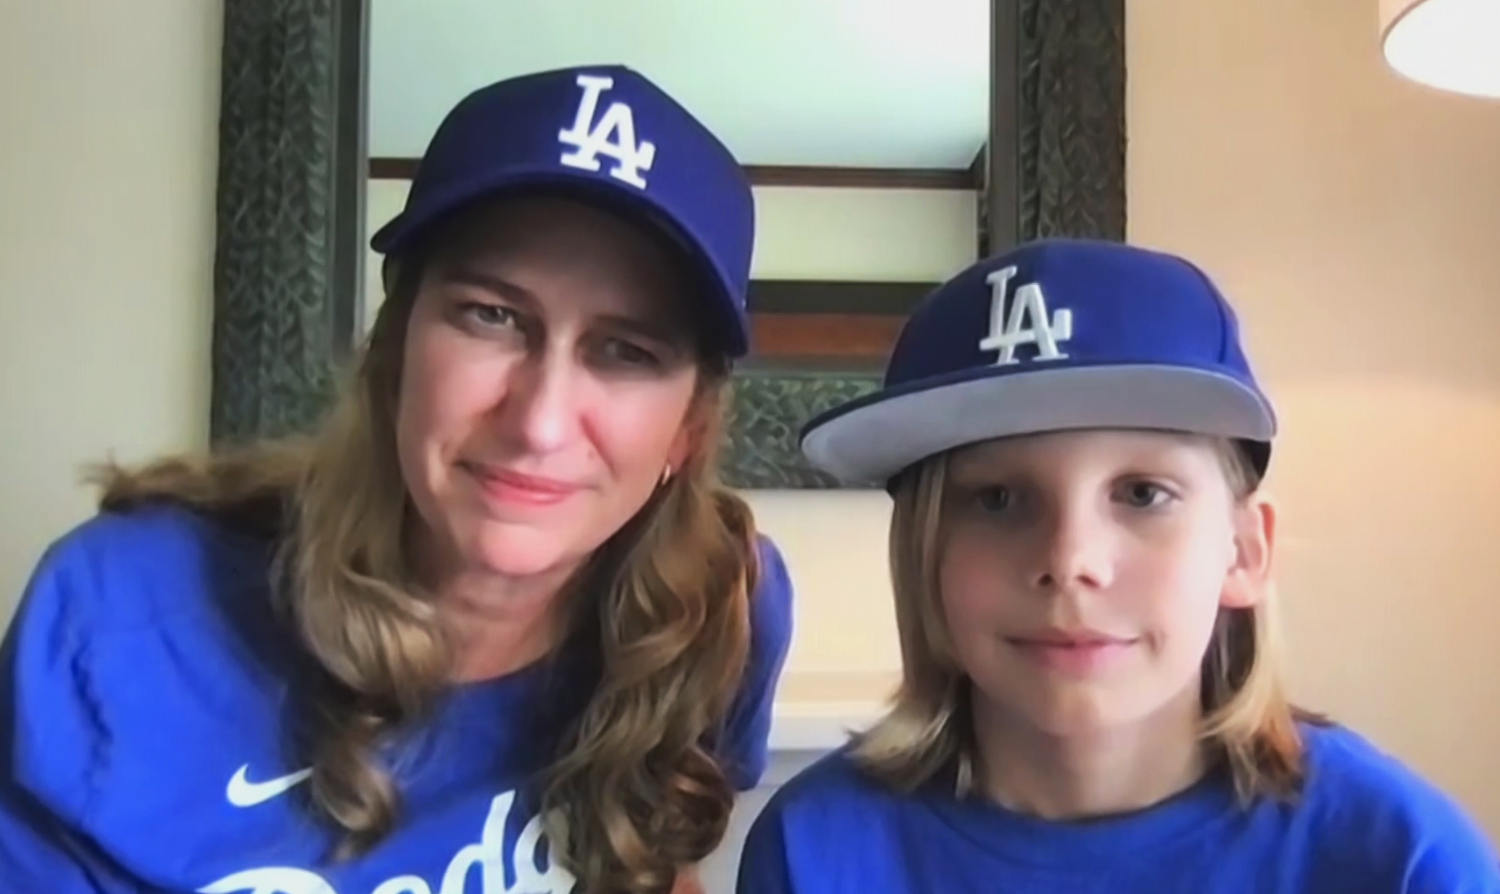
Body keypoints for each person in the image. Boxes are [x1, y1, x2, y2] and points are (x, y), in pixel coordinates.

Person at [0, 64, 793, 894]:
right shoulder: (118, 615)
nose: (539, 422)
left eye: (626, 351)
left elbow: (658, 866)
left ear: (688, 430)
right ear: (394, 352)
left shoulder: (719, 610)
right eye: (492, 315)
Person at [737, 238, 1498, 892]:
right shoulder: (815, 850)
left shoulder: (1400, 856)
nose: (1070, 562)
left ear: (1243, 549)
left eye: (1142, 493)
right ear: (924, 556)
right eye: (998, 498)